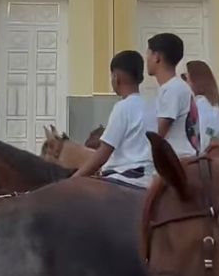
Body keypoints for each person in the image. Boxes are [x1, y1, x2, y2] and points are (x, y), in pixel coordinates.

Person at [72, 51, 156, 186]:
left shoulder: (123, 107)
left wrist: (73, 180)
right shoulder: (152, 106)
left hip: (125, 177)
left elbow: (103, 154)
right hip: (148, 177)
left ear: (116, 77)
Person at [146, 32, 195, 159]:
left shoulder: (174, 89)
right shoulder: (170, 88)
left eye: (148, 54)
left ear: (156, 57)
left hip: (177, 159)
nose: (146, 59)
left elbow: (158, 133)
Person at [183, 60, 219, 151]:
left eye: (185, 77)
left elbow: (205, 133)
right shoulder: (209, 103)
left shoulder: (202, 104)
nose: (184, 82)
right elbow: (211, 131)